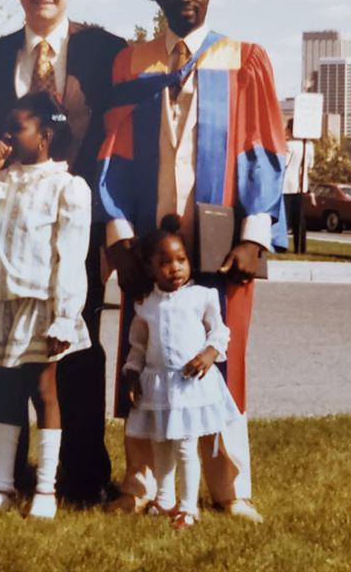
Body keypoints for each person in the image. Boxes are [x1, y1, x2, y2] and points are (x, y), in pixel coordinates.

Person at [99, 0, 286, 522]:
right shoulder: (131, 63)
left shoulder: (244, 60)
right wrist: (120, 239)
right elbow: (113, 153)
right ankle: (140, 485)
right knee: (145, 356)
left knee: (223, 364)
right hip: (149, 249)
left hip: (222, 242)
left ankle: (231, 489)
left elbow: (264, 149)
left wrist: (255, 233)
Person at [0, 0, 127, 506]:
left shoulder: (105, 51)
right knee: (3, 357)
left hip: (77, 224)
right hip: (11, 231)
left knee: (76, 351)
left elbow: (120, 139)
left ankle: (83, 476)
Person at [0, 92, 91, 519]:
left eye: (18, 128)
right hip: (3, 304)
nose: (8, 135)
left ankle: (45, 491)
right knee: (3, 396)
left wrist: (66, 318)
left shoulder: (66, 186)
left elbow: (72, 256)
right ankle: (2, 487)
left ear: (45, 136)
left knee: (44, 392)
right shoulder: (1, 181)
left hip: (42, 308)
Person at [122, 215, 242, 530]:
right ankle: (164, 500)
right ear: (149, 269)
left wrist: (207, 355)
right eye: (165, 262)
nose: (175, 267)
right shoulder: (146, 305)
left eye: (181, 259)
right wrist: (133, 376)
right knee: (162, 443)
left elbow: (220, 332)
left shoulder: (202, 296)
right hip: (158, 386)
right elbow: (137, 346)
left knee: (186, 446)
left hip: (190, 387)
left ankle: (189, 508)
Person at [283, 119, 314, 253]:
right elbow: (310, 165)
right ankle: (300, 247)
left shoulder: (289, 145)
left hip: (287, 184)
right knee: (299, 219)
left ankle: (282, 245)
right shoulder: (309, 145)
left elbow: (284, 163)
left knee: (285, 217)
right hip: (301, 184)